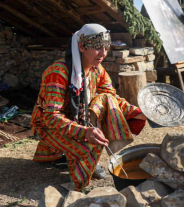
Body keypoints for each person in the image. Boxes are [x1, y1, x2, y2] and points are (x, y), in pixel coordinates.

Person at [30, 24, 147, 191]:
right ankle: (77, 185)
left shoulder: (97, 70)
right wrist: (83, 132)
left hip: (78, 119)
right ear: (81, 46)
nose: (103, 53)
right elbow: (50, 116)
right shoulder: (58, 73)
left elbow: (111, 97)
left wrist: (139, 113)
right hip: (47, 126)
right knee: (88, 147)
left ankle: (76, 155)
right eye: (98, 48)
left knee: (106, 99)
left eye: (106, 48)